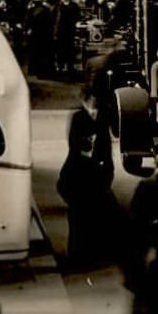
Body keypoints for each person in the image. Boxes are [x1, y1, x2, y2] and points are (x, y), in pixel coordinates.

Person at [58, 92, 113, 268]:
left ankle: (91, 254)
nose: (94, 109)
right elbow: (74, 143)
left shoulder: (102, 120)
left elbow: (106, 146)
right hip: (80, 177)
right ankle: (76, 255)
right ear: (85, 103)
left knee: (92, 220)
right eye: (92, 104)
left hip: (96, 175)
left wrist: (106, 172)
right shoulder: (78, 118)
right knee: (77, 219)